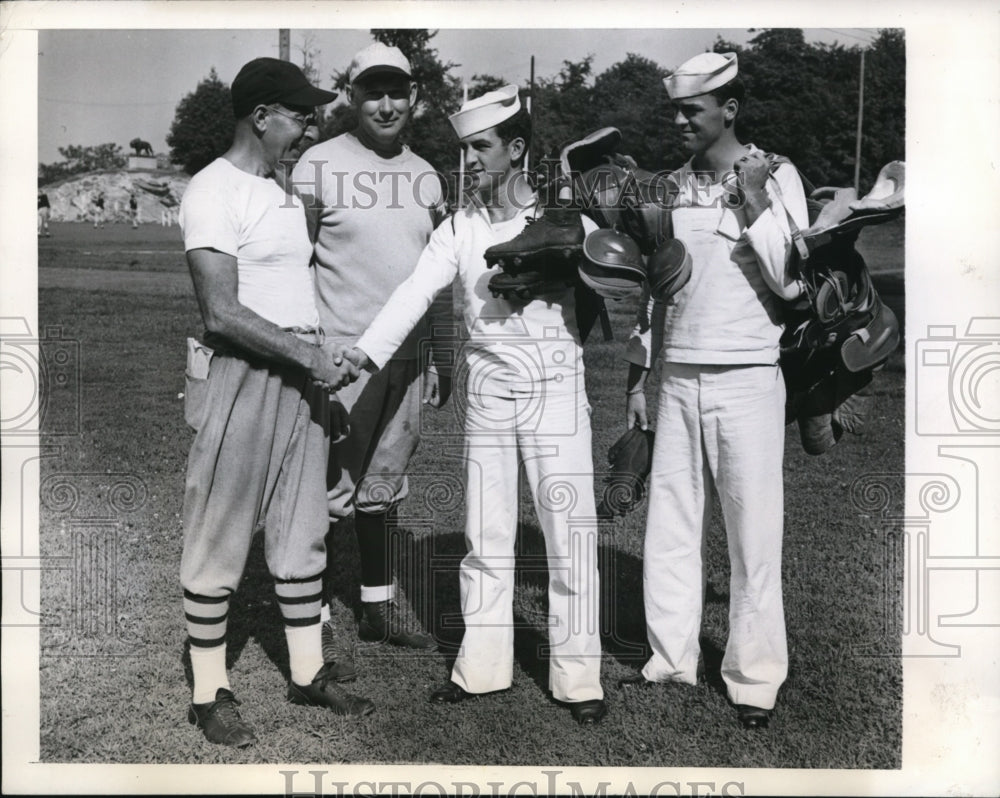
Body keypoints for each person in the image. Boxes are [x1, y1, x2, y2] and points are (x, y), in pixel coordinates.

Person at [346, 85, 607, 725]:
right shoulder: (460, 227)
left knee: (567, 534)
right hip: (487, 385)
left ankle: (579, 680)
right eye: (464, 148)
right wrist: (364, 354)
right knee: (485, 533)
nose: (470, 160)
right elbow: (413, 293)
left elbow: (616, 275)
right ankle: (481, 668)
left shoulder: (565, 219)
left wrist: (586, 252)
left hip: (554, 386)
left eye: (482, 146)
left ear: (517, 149)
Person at [177, 56, 373, 748]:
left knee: (303, 525)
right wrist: (306, 358)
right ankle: (209, 690)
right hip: (243, 374)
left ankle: (308, 671)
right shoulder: (211, 190)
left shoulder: (288, 195)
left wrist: (327, 352)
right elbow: (222, 312)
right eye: (300, 115)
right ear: (261, 117)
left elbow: (296, 298)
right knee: (220, 529)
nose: (310, 127)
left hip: (303, 379)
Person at [620, 52, 808, 730]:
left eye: (691, 110)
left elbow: (793, 281)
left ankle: (754, 678)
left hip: (751, 376)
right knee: (669, 526)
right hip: (677, 375)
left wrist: (756, 200)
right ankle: (670, 660)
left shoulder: (777, 172)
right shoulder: (667, 186)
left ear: (728, 108)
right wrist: (640, 379)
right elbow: (653, 293)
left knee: (753, 535)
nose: (678, 120)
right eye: (675, 109)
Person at [290, 42, 448, 674]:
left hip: (406, 361)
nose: (386, 105)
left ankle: (377, 609)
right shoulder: (318, 165)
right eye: (372, 92)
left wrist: (439, 358)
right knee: (328, 490)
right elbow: (290, 264)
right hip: (341, 358)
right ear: (352, 97)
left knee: (383, 486)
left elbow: (437, 279)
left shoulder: (429, 175)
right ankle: (318, 617)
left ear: (414, 98)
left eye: (397, 92)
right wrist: (307, 354)